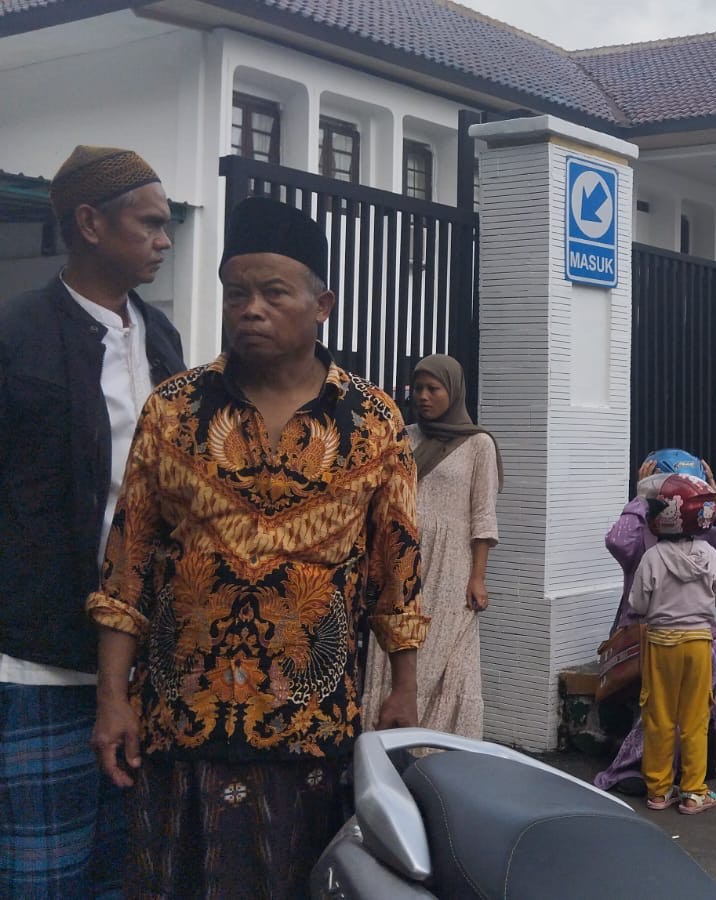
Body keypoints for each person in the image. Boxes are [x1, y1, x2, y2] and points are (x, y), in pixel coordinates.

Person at [87, 197, 429, 897]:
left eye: (275, 293)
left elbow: (397, 569)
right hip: (181, 724)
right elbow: (127, 565)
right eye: (236, 292)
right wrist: (112, 698)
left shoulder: (373, 422)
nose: (251, 308)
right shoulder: (174, 409)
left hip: (312, 727)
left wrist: (404, 686)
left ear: (322, 303)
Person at [0, 145, 185, 896]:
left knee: (127, 866)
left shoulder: (163, 339)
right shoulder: (17, 338)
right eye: (150, 223)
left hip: (144, 654)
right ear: (89, 224)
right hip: (39, 654)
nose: (165, 241)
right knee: (42, 871)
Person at [594, 450, 716, 792]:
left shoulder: (703, 539)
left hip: (700, 631)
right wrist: (640, 498)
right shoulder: (642, 536)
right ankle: (640, 767)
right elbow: (617, 541)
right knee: (667, 699)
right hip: (644, 631)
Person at [363, 354, 499, 739]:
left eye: (433, 389)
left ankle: (439, 754)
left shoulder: (478, 445)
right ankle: (388, 748)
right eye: (418, 388)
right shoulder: (404, 436)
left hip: (450, 568)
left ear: (452, 391)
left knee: (447, 659)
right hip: (399, 562)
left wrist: (477, 578)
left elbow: (483, 517)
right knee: (396, 649)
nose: (423, 397)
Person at [627, 473, 716, 814]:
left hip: (660, 644)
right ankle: (693, 791)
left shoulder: (653, 557)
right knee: (695, 716)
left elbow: (638, 605)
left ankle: (658, 790)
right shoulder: (710, 554)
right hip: (699, 644)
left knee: (658, 715)